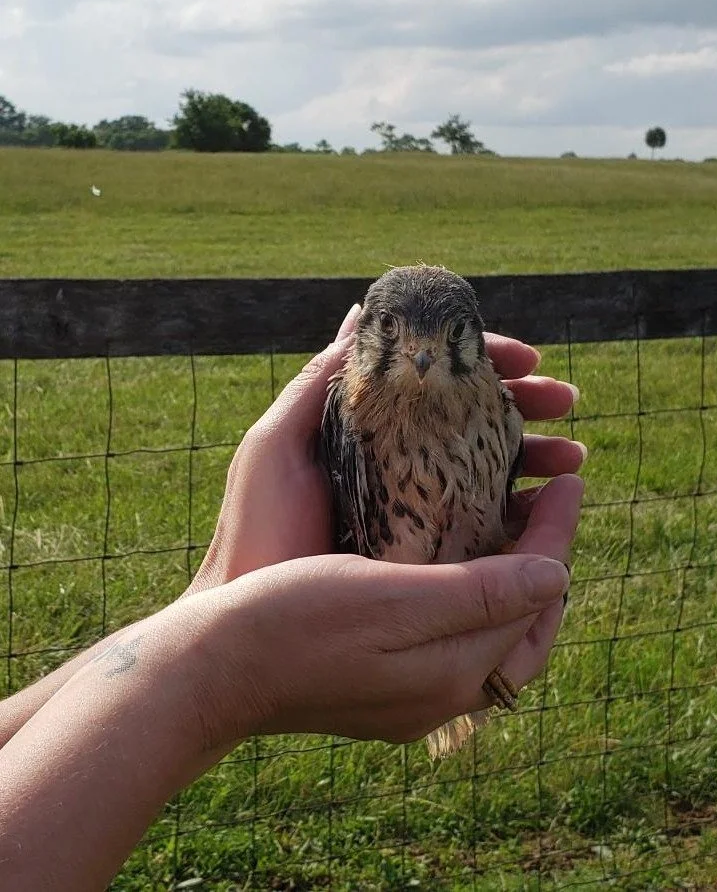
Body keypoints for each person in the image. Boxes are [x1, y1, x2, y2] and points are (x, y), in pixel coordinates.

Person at [0, 307, 586, 891]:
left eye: (450, 336)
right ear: (367, 340)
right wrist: (228, 663)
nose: (423, 356)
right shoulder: (355, 403)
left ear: (472, 341)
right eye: (393, 334)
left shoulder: (497, 404)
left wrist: (215, 606)